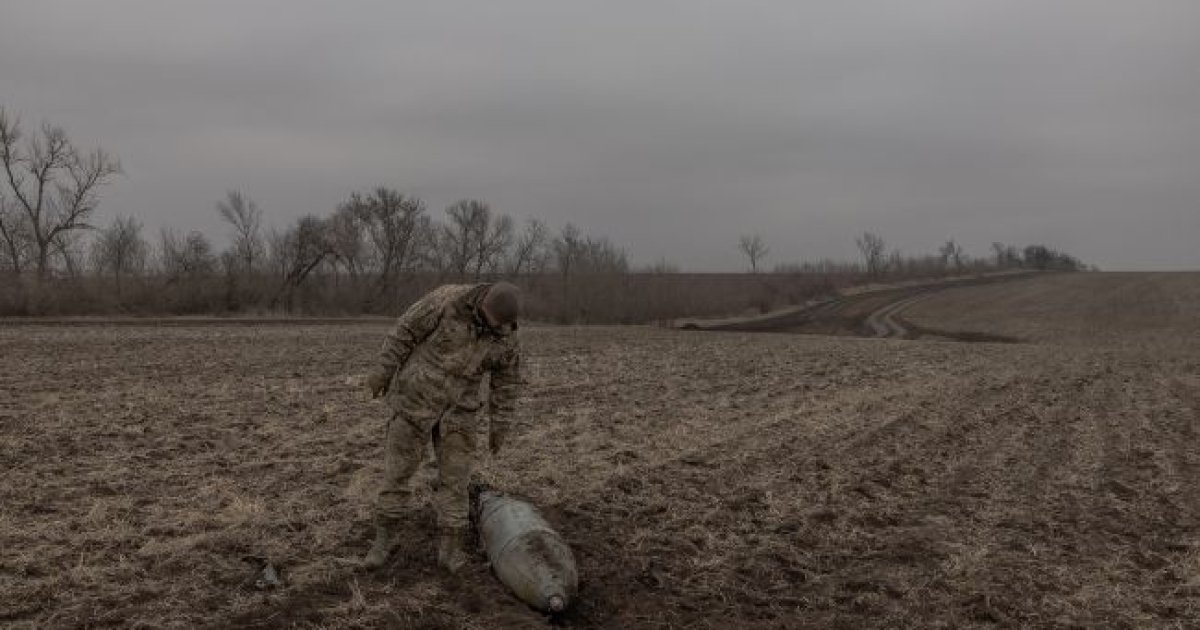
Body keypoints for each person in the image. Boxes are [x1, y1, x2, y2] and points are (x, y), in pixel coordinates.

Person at [362, 282, 522, 572]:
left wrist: (500, 426)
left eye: (495, 324)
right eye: (486, 318)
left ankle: (451, 552)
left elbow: (507, 384)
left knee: (456, 482)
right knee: (397, 474)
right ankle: (383, 543)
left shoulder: (506, 337)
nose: (488, 325)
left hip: (460, 413)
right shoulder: (447, 301)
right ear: (482, 300)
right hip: (416, 399)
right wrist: (382, 371)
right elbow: (405, 331)